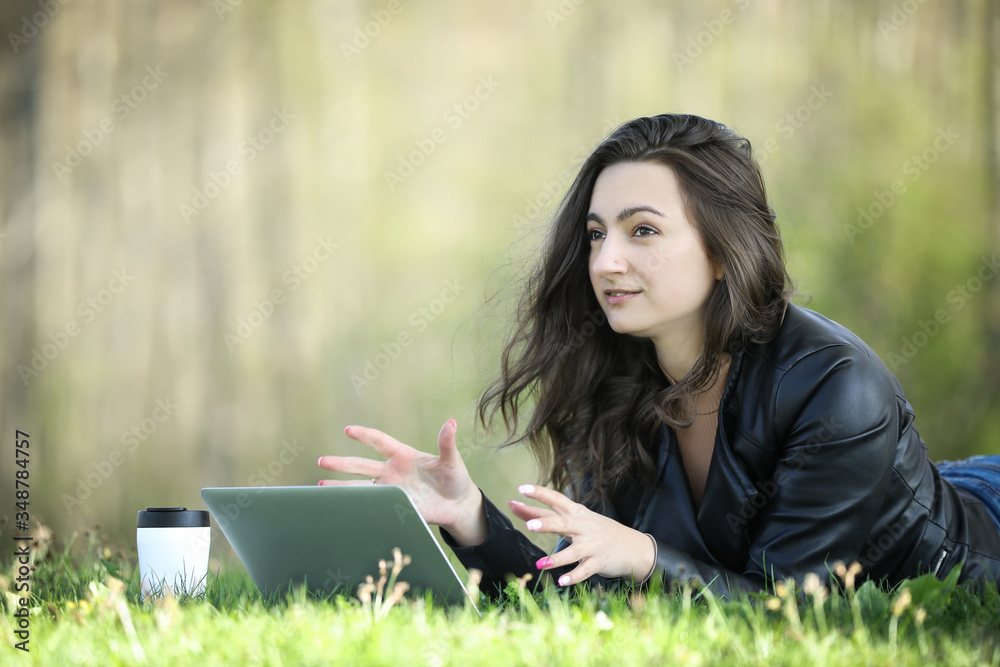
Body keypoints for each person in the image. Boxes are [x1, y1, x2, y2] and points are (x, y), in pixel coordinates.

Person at [318, 114, 1000, 598]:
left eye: (642, 229)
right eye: (595, 233)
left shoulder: (834, 385)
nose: (606, 261)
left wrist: (646, 555)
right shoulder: (617, 375)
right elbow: (576, 595)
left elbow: (792, 616)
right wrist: (470, 514)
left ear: (724, 249)